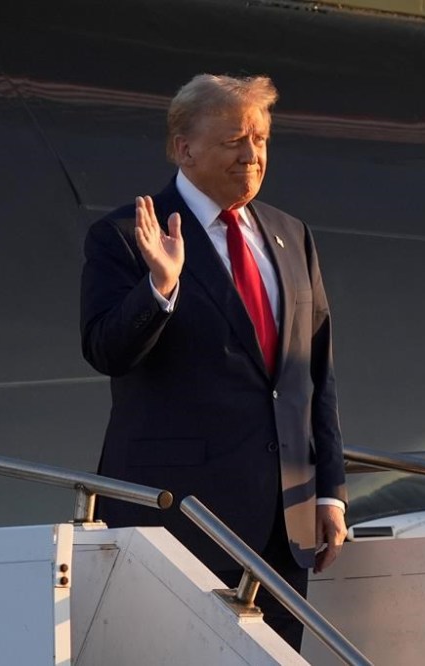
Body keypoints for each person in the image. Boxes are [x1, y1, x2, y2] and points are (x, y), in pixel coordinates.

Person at [80, 73, 347, 649]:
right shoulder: (124, 236)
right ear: (184, 148)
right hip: (179, 520)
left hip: (286, 524)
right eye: (234, 141)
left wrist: (328, 491)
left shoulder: (290, 234)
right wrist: (160, 288)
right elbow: (106, 350)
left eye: (262, 140)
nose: (252, 156)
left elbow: (313, 373)